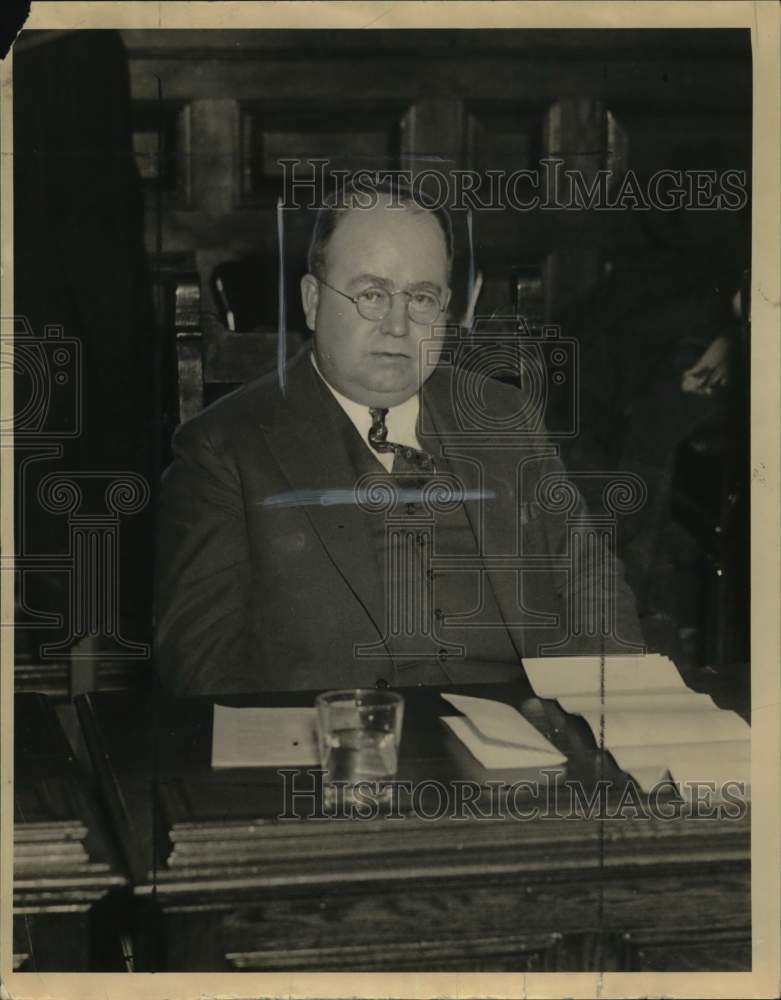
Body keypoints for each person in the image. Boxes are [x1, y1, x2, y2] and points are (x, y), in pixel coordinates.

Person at [154, 182, 643, 695]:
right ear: (313, 300)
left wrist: (614, 725)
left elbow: (592, 585)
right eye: (371, 294)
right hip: (341, 750)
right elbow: (200, 669)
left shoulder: (504, 416)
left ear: (447, 308)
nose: (397, 325)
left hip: (530, 742)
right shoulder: (224, 448)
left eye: (422, 298)